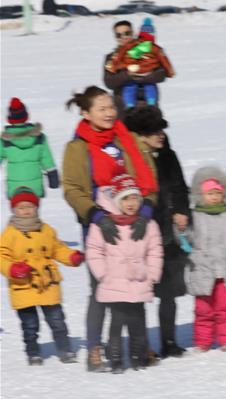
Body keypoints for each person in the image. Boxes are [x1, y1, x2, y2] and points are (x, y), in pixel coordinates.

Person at [61, 86, 158, 372]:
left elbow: (148, 175)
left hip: (133, 221)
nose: (109, 113)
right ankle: (94, 348)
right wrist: (95, 216)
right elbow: (72, 188)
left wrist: (146, 210)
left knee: (135, 281)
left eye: (111, 107)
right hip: (99, 224)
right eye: (101, 109)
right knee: (101, 287)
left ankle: (139, 345)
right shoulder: (77, 148)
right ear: (86, 113)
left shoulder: (126, 138)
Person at [122, 106, 189, 357]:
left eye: (161, 130)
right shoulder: (130, 159)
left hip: (167, 233)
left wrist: (181, 210)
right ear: (140, 135)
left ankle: (169, 341)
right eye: (153, 131)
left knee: (168, 293)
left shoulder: (168, 156)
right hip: (139, 234)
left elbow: (180, 187)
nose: (160, 135)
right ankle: (140, 346)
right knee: (137, 293)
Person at [85, 173, 164, 373]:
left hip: (139, 281)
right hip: (114, 283)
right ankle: (116, 359)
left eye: (135, 198)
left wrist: (152, 275)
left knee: (138, 322)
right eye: (126, 198)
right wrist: (103, 274)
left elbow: (155, 250)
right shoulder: (103, 224)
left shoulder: (148, 224)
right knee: (117, 322)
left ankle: (138, 357)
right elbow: (94, 250)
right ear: (117, 200)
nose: (131, 203)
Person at [1, 187, 82, 365]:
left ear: (36, 207)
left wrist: (71, 256)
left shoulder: (46, 229)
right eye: (21, 207)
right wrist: (12, 269)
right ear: (14, 209)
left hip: (47, 283)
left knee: (57, 320)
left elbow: (57, 248)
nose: (26, 211)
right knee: (30, 325)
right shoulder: (9, 234)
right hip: (24, 285)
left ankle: (65, 349)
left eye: (30, 206)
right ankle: (33, 353)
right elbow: (2, 257)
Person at [183, 167, 226, 352]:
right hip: (202, 268)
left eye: (218, 193)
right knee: (203, 309)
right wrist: (182, 230)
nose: (215, 197)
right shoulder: (195, 215)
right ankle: (203, 341)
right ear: (201, 195)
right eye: (210, 193)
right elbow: (188, 238)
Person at [104, 20, 170, 115]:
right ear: (115, 37)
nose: (123, 37)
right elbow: (109, 82)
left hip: (149, 111)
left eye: (127, 33)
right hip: (124, 112)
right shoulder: (112, 58)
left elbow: (161, 74)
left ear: (133, 33)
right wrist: (127, 75)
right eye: (119, 35)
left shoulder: (146, 50)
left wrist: (142, 75)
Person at [0, 97, 59, 199]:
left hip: (15, 189)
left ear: (10, 118)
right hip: (35, 189)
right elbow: (47, 160)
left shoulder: (4, 140)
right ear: (26, 116)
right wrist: (54, 180)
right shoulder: (39, 137)